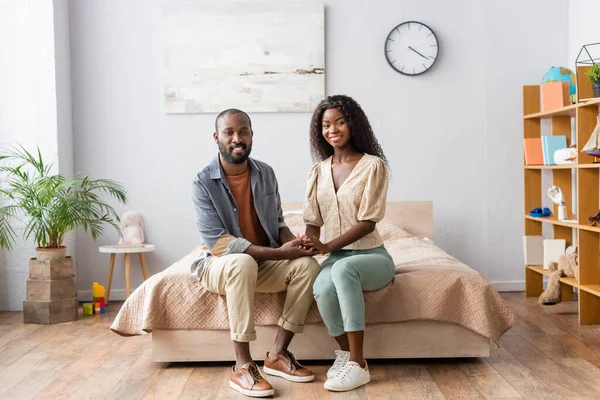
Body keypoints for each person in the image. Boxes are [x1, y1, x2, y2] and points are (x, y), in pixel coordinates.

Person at [191, 108, 320, 398]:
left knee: (309, 266)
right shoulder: (202, 182)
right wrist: (282, 254)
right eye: (229, 132)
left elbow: (277, 223)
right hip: (219, 265)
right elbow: (219, 244)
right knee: (241, 262)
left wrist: (295, 244)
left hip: (262, 262)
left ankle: (277, 354)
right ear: (216, 137)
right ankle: (242, 365)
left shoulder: (266, 173)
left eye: (244, 132)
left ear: (251, 135)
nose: (237, 138)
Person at [301, 95, 394, 392]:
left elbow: (368, 222)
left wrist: (328, 247)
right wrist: (308, 243)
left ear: (353, 124)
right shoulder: (317, 171)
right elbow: (313, 223)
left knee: (343, 271)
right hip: (335, 257)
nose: (333, 129)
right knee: (322, 286)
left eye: (339, 122)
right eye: (326, 124)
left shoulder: (373, 166)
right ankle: (345, 353)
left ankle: (358, 363)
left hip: (372, 256)